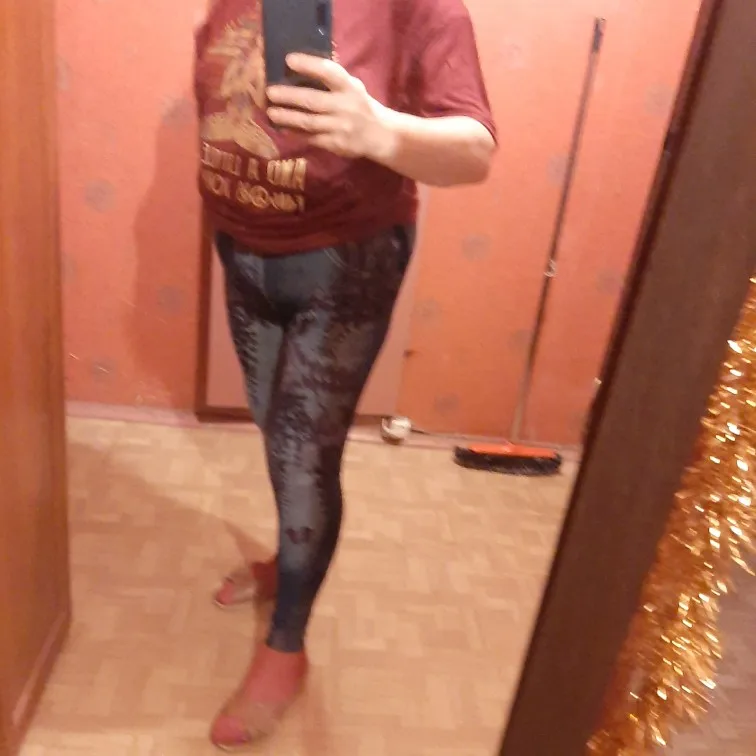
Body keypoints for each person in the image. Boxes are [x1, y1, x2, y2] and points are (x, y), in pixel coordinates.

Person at [194, 0, 497, 748]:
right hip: (243, 250)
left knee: (304, 458)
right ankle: (287, 562)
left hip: (344, 261)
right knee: (277, 435)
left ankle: (287, 647)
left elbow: (474, 149)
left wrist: (380, 131)